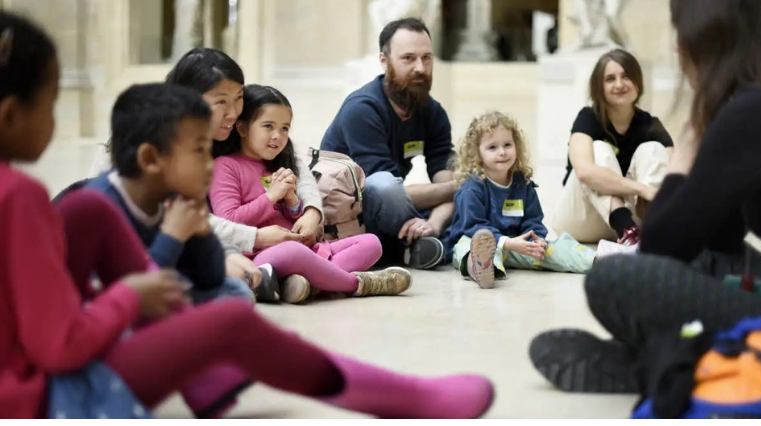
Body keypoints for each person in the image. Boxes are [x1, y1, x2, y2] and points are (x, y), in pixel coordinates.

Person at [0, 11, 495, 419]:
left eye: (238, 105)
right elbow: (60, 344)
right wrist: (133, 294)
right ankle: (408, 400)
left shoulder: (95, 201)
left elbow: (154, 278)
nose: (229, 126)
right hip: (43, 395)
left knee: (223, 297)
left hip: (75, 359)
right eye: (50, 103)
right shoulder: (42, 195)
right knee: (228, 320)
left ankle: (211, 378)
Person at [529, 0, 761, 395]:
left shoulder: (760, 107)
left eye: (680, 34)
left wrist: (687, 145)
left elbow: (661, 246)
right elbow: (719, 239)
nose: (675, 49)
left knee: (612, 278)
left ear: (707, 39)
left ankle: (658, 365)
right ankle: (679, 355)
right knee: (703, 259)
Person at [86, 48, 324, 300]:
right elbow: (171, 215)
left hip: (200, 241)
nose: (233, 112)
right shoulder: (152, 141)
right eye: (220, 101)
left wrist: (311, 210)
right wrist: (253, 238)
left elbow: (293, 160)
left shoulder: (233, 125)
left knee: (236, 291)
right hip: (146, 247)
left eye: (239, 97)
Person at [210, 84, 412, 303]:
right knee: (292, 253)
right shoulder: (225, 166)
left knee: (371, 243)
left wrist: (294, 203)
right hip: (258, 255)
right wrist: (271, 197)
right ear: (242, 128)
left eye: (285, 128)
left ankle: (303, 284)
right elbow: (229, 220)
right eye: (268, 126)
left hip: (305, 248)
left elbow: (290, 219)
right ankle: (357, 284)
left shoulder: (280, 163)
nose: (277, 136)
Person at [85, 83, 254, 304]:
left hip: (160, 296)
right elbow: (134, 294)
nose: (210, 164)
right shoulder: (100, 206)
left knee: (234, 292)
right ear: (150, 159)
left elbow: (210, 278)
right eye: (199, 150)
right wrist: (172, 237)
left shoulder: (171, 196)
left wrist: (202, 233)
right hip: (112, 307)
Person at [320, 17, 455, 270]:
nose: (420, 67)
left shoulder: (433, 112)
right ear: (384, 61)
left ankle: (424, 237)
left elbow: (445, 180)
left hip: (391, 212)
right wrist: (459, 187)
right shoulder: (362, 109)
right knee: (385, 186)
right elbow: (388, 193)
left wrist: (435, 221)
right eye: (408, 58)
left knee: (472, 194)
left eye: (426, 58)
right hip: (346, 212)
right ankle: (421, 245)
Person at [442, 112, 596, 289]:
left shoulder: (523, 183)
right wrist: (505, 243)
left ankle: (596, 260)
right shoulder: (472, 187)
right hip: (476, 241)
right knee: (467, 249)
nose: (502, 152)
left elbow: (533, 220)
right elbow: (472, 225)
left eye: (507, 144)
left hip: (517, 244)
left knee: (556, 247)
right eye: (492, 147)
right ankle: (482, 269)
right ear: (477, 154)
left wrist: (536, 240)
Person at [551, 48, 673, 248]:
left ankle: (652, 229)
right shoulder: (588, 117)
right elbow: (584, 172)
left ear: (637, 81)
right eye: (610, 79)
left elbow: (676, 172)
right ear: (599, 87)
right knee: (598, 150)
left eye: (626, 76)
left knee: (654, 149)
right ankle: (626, 229)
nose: (619, 84)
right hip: (581, 219)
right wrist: (642, 189)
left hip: (637, 219)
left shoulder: (650, 124)